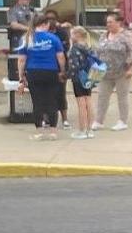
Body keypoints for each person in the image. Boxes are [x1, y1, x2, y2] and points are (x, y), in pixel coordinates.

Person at [20, 13, 66, 141]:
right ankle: (53, 132)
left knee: (37, 102)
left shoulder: (27, 38)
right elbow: (60, 57)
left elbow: (22, 60)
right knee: (52, 100)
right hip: (51, 71)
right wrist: (62, 71)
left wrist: (21, 75)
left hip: (34, 72)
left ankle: (39, 131)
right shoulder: (53, 38)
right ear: (45, 24)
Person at [94, 13, 132, 131]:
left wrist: (131, 69)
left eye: (111, 22)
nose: (108, 25)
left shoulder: (127, 36)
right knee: (102, 96)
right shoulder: (103, 35)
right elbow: (98, 52)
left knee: (122, 97)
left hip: (122, 71)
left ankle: (122, 121)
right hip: (105, 72)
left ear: (118, 22)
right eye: (107, 22)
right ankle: (99, 121)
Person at [66, 26, 101, 140]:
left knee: (81, 104)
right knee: (89, 102)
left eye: (72, 34)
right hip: (90, 76)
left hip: (78, 78)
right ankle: (89, 130)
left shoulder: (75, 49)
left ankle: (82, 129)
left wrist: (66, 75)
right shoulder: (89, 47)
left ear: (77, 35)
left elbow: (73, 66)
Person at [44, 8, 72, 128]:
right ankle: (46, 119)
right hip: (45, 66)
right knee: (45, 93)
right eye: (48, 19)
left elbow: (65, 48)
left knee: (61, 93)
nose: (51, 21)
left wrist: (63, 70)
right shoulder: (41, 32)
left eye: (53, 19)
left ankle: (65, 119)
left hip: (60, 67)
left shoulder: (62, 32)